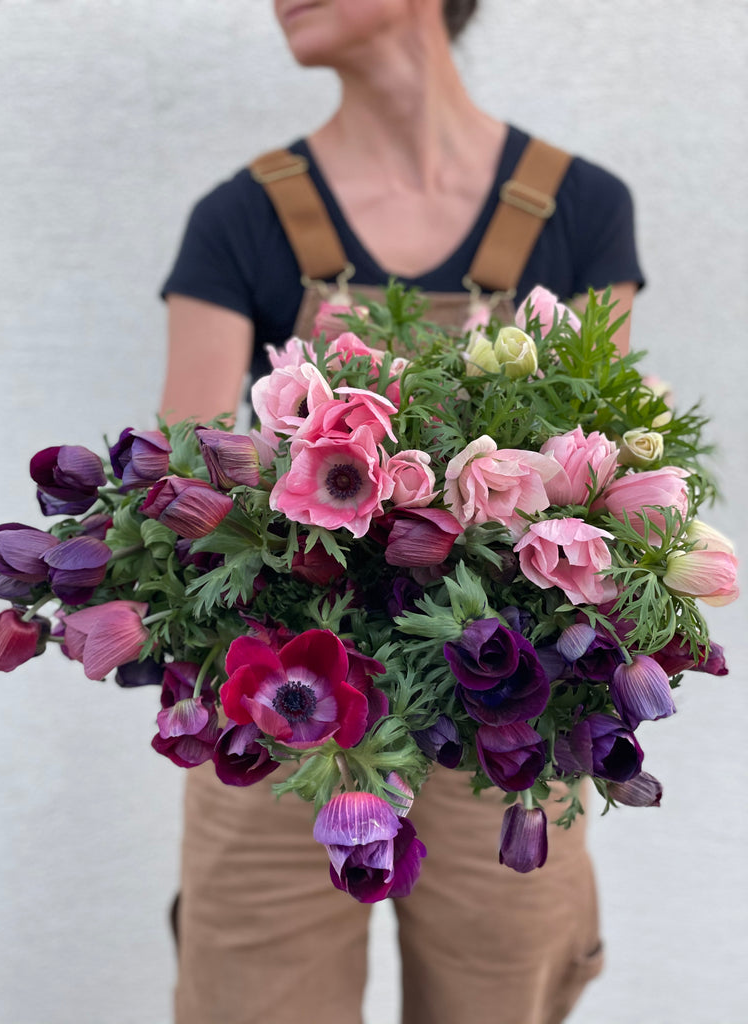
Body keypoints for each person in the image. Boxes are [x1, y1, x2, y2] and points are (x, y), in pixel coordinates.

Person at [159, 2, 645, 1022]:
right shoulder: (237, 219)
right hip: (284, 728)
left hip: (504, 726)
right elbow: (183, 501)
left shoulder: (580, 208)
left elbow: (605, 478)